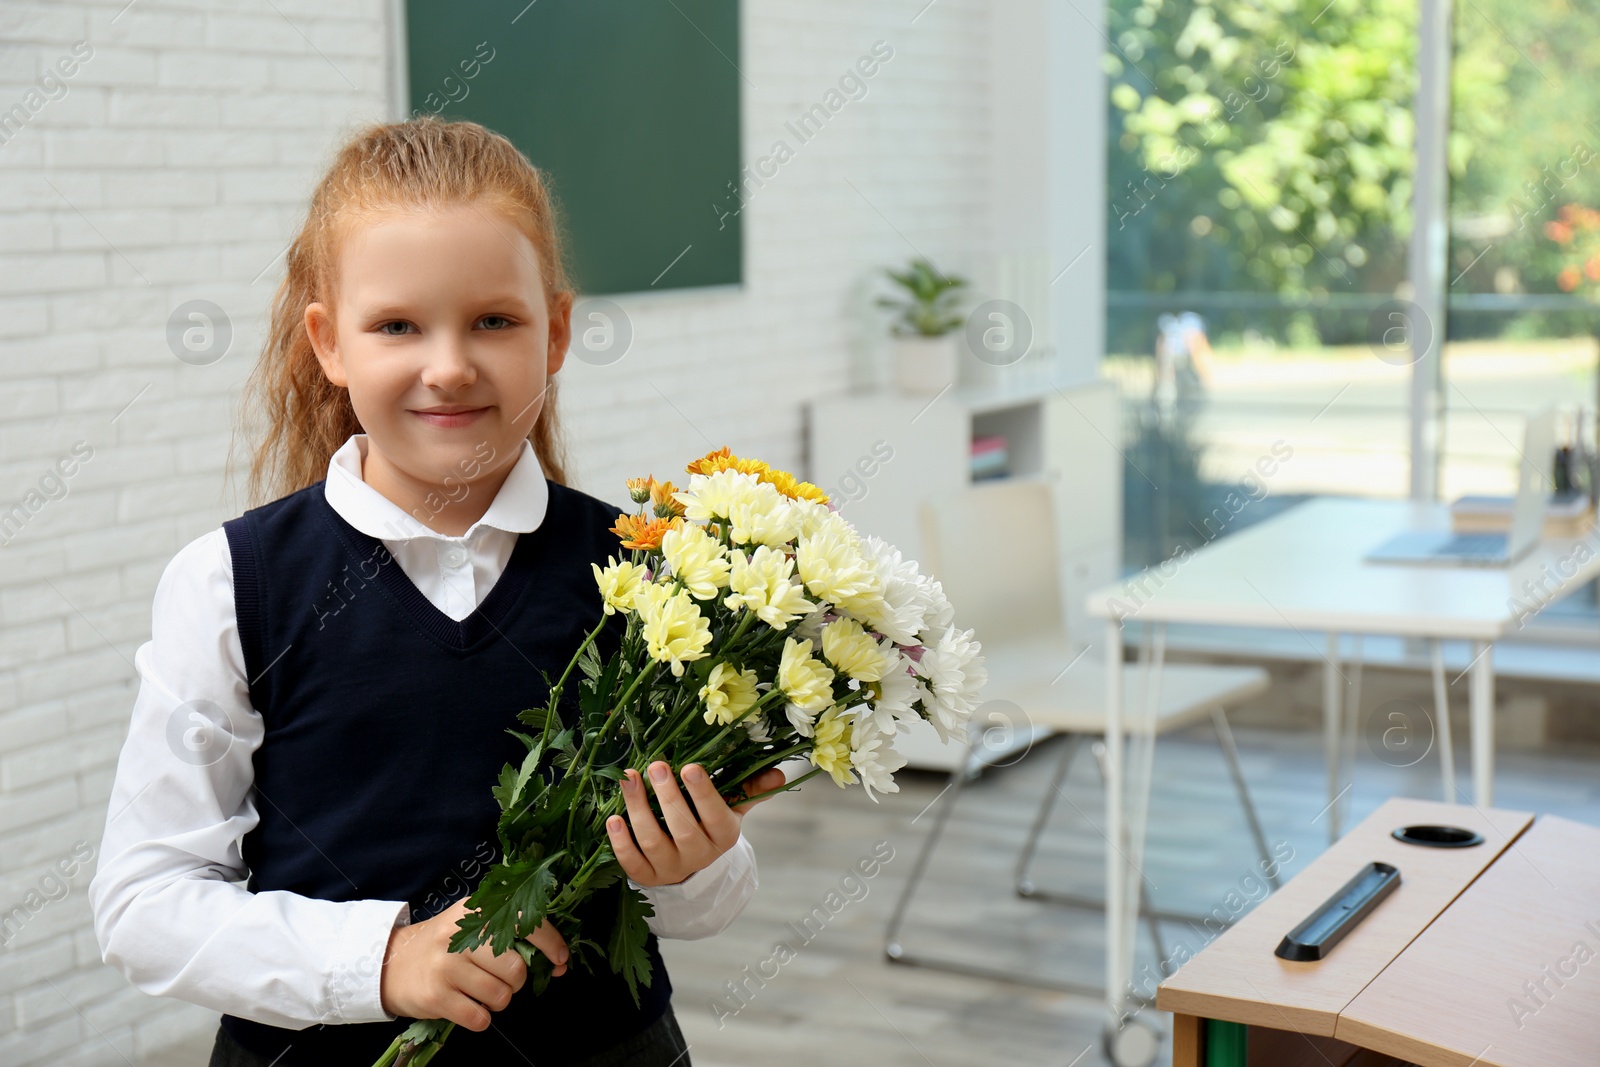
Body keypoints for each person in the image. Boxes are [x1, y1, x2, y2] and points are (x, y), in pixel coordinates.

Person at [87, 117, 785, 1067]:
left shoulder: (645, 580)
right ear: (330, 344)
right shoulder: (227, 582)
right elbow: (146, 901)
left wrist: (694, 863)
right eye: (397, 325)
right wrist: (381, 962)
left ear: (558, 334)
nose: (449, 365)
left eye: (494, 320)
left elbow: (705, 903)